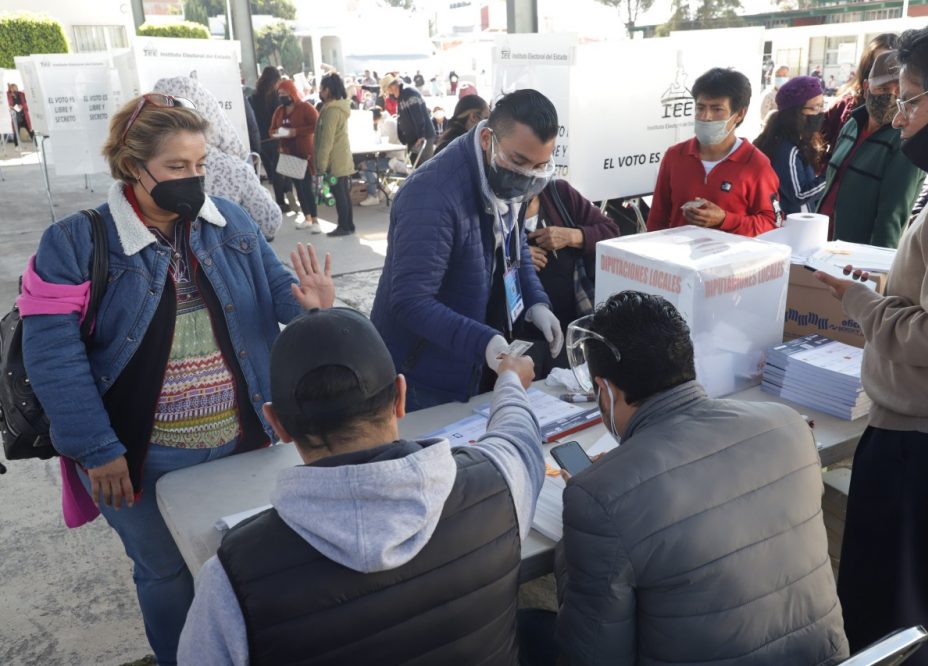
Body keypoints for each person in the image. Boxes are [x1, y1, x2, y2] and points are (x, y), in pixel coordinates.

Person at [19, 93, 335, 666]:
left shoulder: (229, 221)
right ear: (131, 166)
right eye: (176, 167)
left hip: (245, 441)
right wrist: (97, 448)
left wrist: (311, 306)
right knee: (167, 577)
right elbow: (53, 358)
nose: (193, 180)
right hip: (142, 458)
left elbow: (277, 296)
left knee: (250, 563)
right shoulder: (73, 243)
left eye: (200, 165)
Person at [177, 307, 544, 664]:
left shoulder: (231, 579)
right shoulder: (501, 481)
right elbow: (517, 434)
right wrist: (509, 379)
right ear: (401, 397)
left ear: (277, 424)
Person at [815, 9, 928, 664]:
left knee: (894, 624)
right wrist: (898, 286)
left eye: (911, 100)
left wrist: (866, 304)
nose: (898, 118)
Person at [533, 291, 848, 665]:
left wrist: (587, 517)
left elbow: (591, 656)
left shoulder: (599, 496)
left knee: (527, 628)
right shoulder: (789, 427)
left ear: (605, 390)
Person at [370, 89, 564, 410]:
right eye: (519, 162)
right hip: (419, 375)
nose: (528, 175)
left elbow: (514, 247)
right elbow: (410, 301)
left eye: (539, 166)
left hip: (467, 361)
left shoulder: (509, 175)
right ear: (488, 140)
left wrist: (535, 302)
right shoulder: (431, 195)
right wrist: (486, 343)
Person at [647, 68, 782, 237]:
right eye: (700, 108)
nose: (706, 117)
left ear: (739, 114)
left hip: (732, 262)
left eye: (717, 109)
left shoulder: (756, 164)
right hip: (678, 259)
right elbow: (657, 218)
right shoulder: (675, 156)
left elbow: (772, 223)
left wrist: (725, 219)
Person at [816, 50, 925, 248]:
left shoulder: (906, 141)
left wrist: (878, 270)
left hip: (857, 263)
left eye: (899, 90)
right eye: (883, 88)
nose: (891, 96)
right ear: (867, 87)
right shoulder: (852, 124)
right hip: (822, 247)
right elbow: (832, 184)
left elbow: (892, 215)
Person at [154, 77, 282, 241]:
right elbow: (270, 223)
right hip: (229, 262)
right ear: (209, 113)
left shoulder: (145, 166)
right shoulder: (233, 169)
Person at [514, 179, 619, 375]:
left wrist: (573, 236)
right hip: (518, 339)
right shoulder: (499, 206)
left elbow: (612, 232)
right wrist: (518, 255)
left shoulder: (559, 194)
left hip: (570, 330)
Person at [754, 76, 828, 215]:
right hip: (791, 224)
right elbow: (800, 194)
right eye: (815, 107)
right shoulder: (787, 149)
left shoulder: (798, 140)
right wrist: (831, 176)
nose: (820, 112)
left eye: (822, 105)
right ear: (796, 113)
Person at [823, 34, 899, 153]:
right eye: (877, 64)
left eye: (892, 65)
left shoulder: (906, 112)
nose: (884, 71)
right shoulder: (845, 104)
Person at [270, 80, 320, 232]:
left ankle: (316, 220)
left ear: (292, 93)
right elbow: (271, 130)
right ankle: (307, 217)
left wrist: (296, 132)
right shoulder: (279, 111)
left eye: (284, 94)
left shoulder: (305, 108)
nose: (282, 97)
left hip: (305, 154)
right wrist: (278, 133)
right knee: (298, 187)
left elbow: (316, 125)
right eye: (279, 94)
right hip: (288, 154)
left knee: (306, 186)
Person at [313, 73, 355, 237]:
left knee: (340, 194)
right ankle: (349, 225)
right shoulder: (340, 108)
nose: (320, 92)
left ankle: (344, 226)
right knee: (343, 193)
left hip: (334, 161)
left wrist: (321, 165)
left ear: (328, 90)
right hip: (341, 157)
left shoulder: (331, 111)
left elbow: (326, 141)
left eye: (322, 89)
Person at [249, 67, 291, 212]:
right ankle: (285, 199)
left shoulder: (253, 96)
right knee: (283, 169)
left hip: (261, 140)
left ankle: (280, 201)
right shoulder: (276, 97)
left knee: (273, 172)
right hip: (276, 137)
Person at [380, 74, 436, 168]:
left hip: (422, 137)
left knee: (426, 169)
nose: (387, 93)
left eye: (386, 90)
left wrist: (421, 135)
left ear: (391, 87)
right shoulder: (401, 95)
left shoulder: (408, 93)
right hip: (414, 139)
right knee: (417, 170)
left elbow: (418, 115)